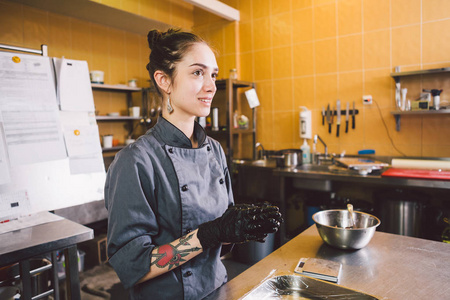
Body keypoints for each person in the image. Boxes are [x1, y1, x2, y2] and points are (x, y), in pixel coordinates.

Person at [104, 28, 282, 300]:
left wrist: (239, 227)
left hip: (218, 289)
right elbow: (133, 265)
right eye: (198, 73)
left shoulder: (215, 151)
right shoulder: (136, 161)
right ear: (164, 80)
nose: (211, 86)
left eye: (213, 74)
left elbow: (221, 247)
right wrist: (210, 233)